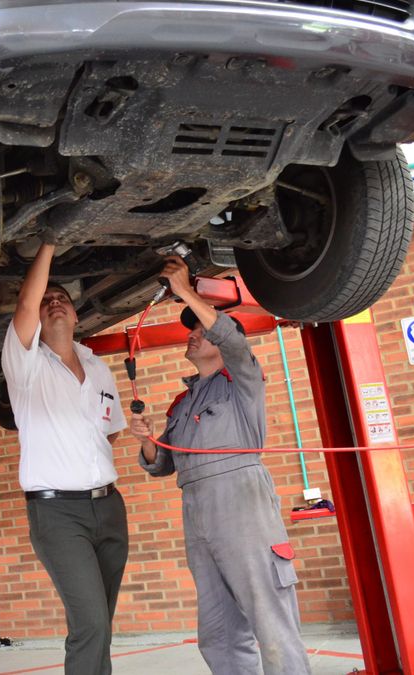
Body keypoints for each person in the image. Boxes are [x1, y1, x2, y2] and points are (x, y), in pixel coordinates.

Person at [130, 256, 310, 675]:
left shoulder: (241, 379)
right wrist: (148, 442)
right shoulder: (183, 402)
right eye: (190, 329)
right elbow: (164, 467)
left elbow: (232, 341)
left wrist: (187, 292)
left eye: (198, 329)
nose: (190, 336)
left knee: (271, 623)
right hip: (197, 511)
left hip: (242, 501)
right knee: (218, 632)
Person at [2, 239, 128, 675]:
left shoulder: (99, 368)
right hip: (58, 514)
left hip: (109, 507)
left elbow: (107, 435)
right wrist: (51, 243)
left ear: (76, 316)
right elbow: (24, 304)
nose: (55, 304)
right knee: (90, 623)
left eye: (64, 300)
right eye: (48, 300)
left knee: (100, 625)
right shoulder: (25, 367)